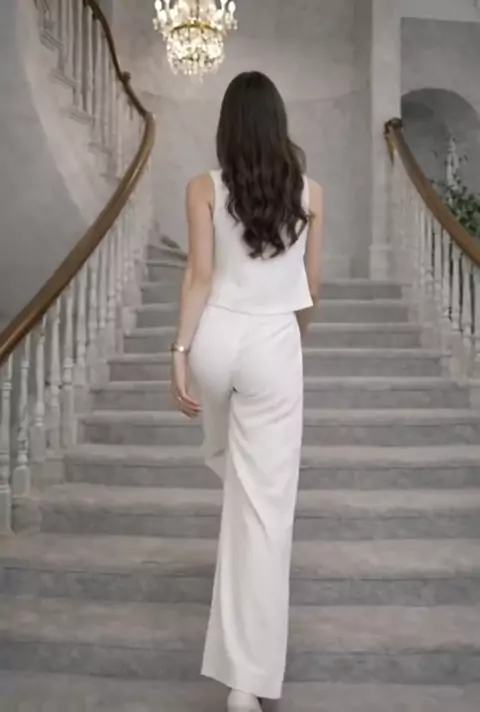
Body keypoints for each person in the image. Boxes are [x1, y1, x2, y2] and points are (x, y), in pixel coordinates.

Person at [170, 71, 323, 711]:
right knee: (266, 514)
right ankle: (246, 684)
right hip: (270, 344)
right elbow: (312, 291)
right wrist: (291, 343)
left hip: (215, 340)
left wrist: (180, 353)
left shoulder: (203, 187)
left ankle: (238, 665)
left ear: (227, 126)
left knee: (237, 483)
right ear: (278, 123)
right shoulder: (311, 193)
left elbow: (200, 277)